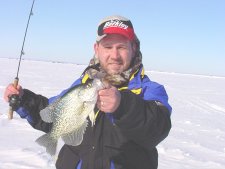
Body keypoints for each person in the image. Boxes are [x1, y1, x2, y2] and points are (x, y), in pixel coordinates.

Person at [4, 15, 172, 169]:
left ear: (133, 48)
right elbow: (53, 115)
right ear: (97, 49)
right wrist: (23, 100)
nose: (114, 55)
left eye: (121, 47)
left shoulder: (150, 90)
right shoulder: (83, 84)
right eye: (108, 47)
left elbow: (157, 129)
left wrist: (123, 105)